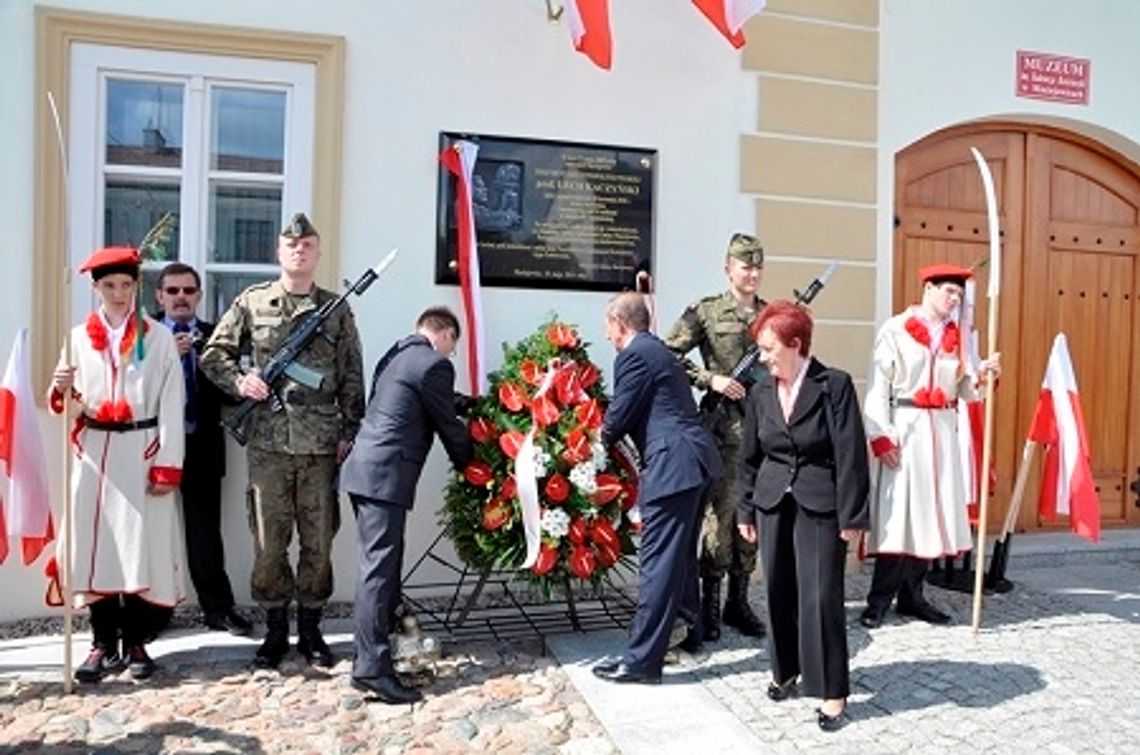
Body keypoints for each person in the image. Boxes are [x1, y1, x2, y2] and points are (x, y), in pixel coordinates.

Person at [200, 212, 365, 668]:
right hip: (268, 444)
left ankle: (311, 630)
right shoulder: (252, 303)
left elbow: (352, 373)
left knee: (318, 541)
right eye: (291, 245)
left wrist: (350, 431)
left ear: (318, 252)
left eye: (308, 245)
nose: (299, 250)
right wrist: (241, 383)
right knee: (269, 542)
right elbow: (213, 354)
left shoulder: (336, 308)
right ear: (278, 251)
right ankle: (275, 631)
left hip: (320, 446)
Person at [48, 245, 186, 683]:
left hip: (141, 451)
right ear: (96, 288)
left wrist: (167, 461)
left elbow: (170, 403)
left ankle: (139, 642)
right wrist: (61, 389)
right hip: (92, 455)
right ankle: (101, 643)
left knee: (140, 548)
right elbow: (66, 408)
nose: (119, 293)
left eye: (126, 285)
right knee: (96, 549)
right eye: (109, 285)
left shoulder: (157, 338)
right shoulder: (76, 339)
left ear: (136, 286)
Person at [736, 300, 869, 731]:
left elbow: (851, 454)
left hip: (821, 502)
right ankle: (786, 670)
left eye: (769, 348)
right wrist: (746, 507)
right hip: (773, 502)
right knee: (777, 589)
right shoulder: (759, 391)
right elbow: (749, 457)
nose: (763, 357)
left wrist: (853, 516)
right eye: (760, 348)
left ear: (796, 345)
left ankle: (832, 691)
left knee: (820, 596)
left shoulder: (834, 385)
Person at [340, 306, 473, 705]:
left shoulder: (397, 355)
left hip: (365, 472)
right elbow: (447, 424)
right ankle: (370, 670)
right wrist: (473, 466)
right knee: (377, 574)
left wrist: (473, 403)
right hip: (384, 477)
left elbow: (433, 400)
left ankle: (385, 654)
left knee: (380, 569)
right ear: (446, 334)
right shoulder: (434, 363)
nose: (451, 356)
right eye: (453, 347)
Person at [860, 264, 1002, 629]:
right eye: (948, 291)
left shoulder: (959, 336)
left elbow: (967, 391)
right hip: (906, 428)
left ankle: (913, 596)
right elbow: (879, 387)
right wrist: (880, 435)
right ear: (928, 288)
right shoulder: (895, 330)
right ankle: (878, 600)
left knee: (929, 517)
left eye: (959, 294)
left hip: (941, 432)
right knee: (899, 517)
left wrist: (984, 373)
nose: (954, 299)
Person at [592, 292, 722, 684]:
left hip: (673, 466)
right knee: (680, 557)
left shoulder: (633, 354)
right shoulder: (657, 349)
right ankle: (687, 629)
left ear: (619, 323)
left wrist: (591, 442)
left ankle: (642, 661)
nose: (608, 336)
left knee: (657, 564)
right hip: (694, 463)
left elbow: (619, 416)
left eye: (608, 328)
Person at [664, 232, 767, 641]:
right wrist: (711, 379)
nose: (753, 273)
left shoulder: (772, 314)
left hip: (764, 430)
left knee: (753, 516)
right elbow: (669, 353)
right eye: (746, 266)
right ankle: (709, 603)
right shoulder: (706, 311)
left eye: (758, 266)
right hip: (724, 431)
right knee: (721, 518)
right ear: (729, 269)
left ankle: (738, 602)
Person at [153, 262, 252, 636]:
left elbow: (232, 390)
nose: (180, 298)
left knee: (205, 532)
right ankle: (153, 615)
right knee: (156, 533)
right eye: (173, 291)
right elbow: (132, 387)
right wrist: (169, 358)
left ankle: (218, 609)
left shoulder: (215, 336)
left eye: (188, 291)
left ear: (199, 295)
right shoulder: (143, 335)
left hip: (203, 445)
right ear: (159, 295)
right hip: (155, 447)